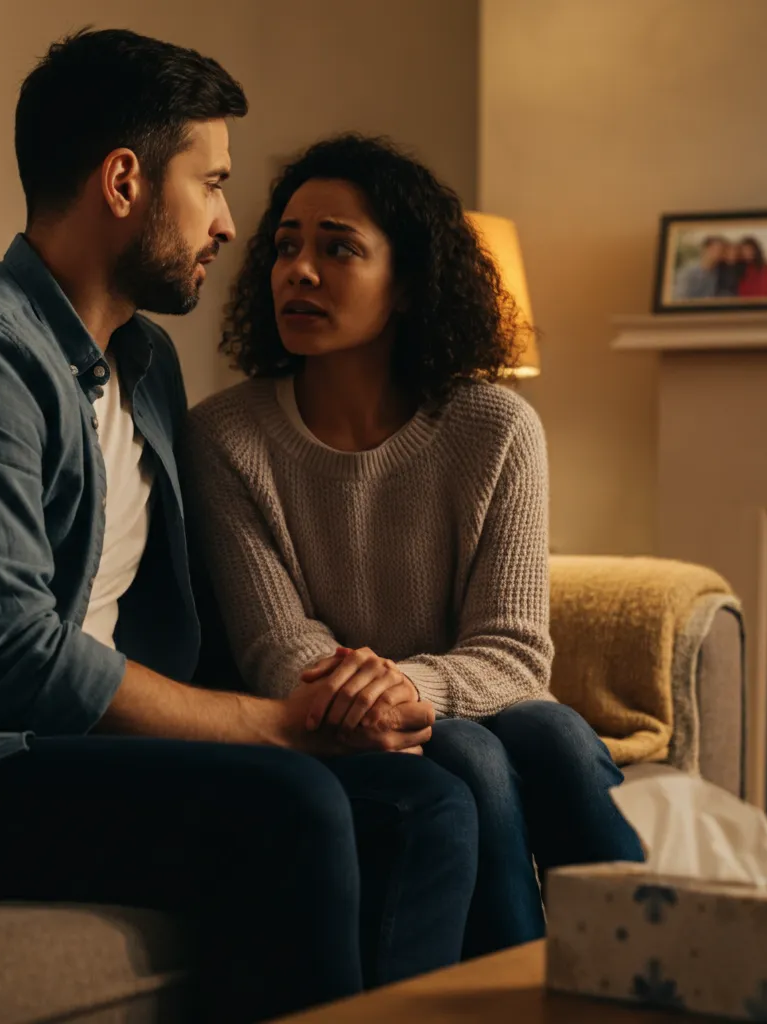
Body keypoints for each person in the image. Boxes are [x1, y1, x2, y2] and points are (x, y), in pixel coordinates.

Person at [0, 33, 482, 1023]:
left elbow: (184, 603)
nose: (227, 222)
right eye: (209, 183)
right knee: (290, 804)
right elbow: (4, 661)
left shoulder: (145, 363)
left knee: (428, 793)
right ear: (124, 180)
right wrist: (274, 729)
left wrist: (346, 694)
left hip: (51, 747)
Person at [185, 134, 645, 959]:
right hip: (336, 733)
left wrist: (402, 683)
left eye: (338, 249)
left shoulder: (496, 428)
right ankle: (529, 991)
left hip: (447, 704)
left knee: (554, 735)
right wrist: (369, 695)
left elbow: (514, 655)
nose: (299, 270)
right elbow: (272, 645)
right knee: (473, 748)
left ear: (406, 283)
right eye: (286, 246)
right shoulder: (226, 436)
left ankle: (646, 961)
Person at [673, 235, 725, 300]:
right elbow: (680, 297)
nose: (718, 253)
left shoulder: (718, 270)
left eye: (721, 250)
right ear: (704, 250)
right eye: (714, 249)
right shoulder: (688, 272)